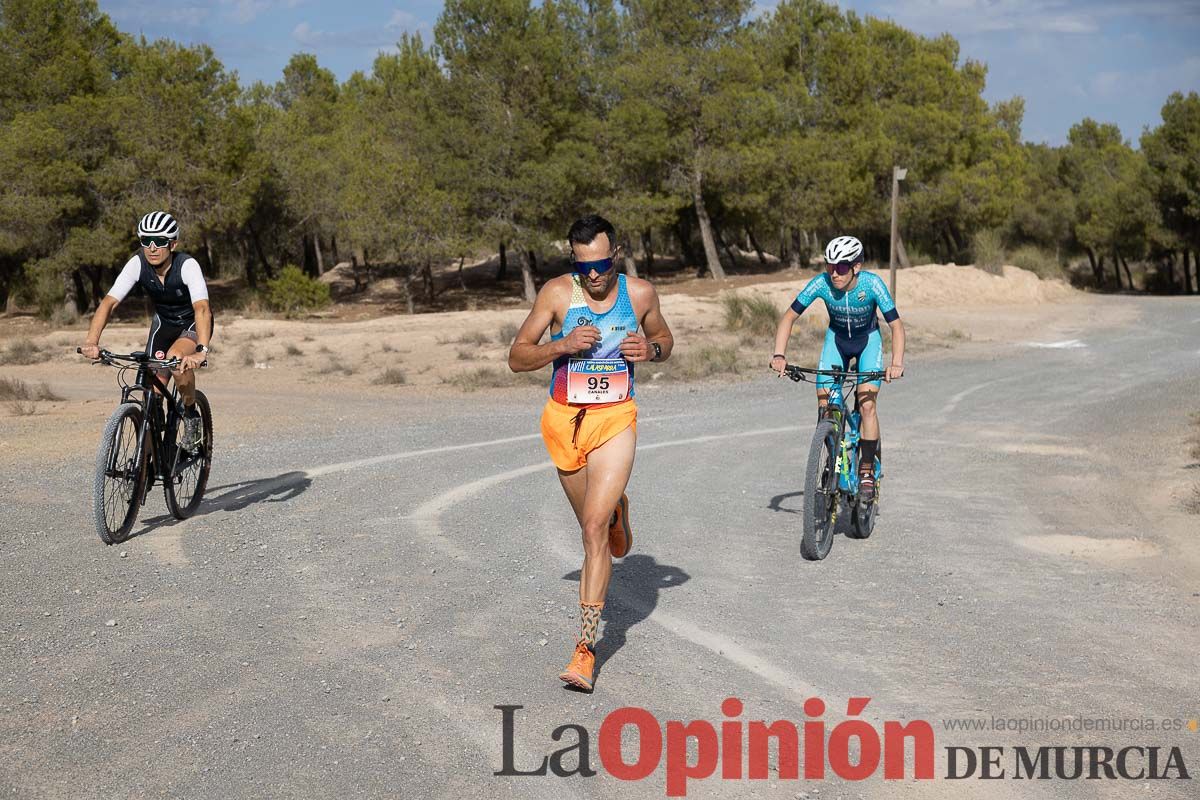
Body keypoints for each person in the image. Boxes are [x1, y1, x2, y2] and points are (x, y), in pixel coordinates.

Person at [508, 214, 673, 692]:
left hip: (616, 417)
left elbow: (665, 340)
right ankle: (617, 507)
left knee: (592, 530)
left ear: (615, 254)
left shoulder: (639, 294)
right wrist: (561, 344)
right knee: (595, 522)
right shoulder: (557, 294)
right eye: (583, 266)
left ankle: (584, 649)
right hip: (564, 421)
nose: (594, 274)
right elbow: (517, 358)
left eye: (600, 263)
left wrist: (651, 351)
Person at [770, 235, 904, 502]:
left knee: (866, 404)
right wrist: (779, 354)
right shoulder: (821, 283)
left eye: (841, 267)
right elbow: (789, 317)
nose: (834, 273)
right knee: (825, 402)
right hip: (837, 341)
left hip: (868, 342)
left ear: (856, 267)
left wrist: (896, 363)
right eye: (829, 266)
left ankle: (866, 469)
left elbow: (896, 326)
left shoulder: (872, 284)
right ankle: (833, 456)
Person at [79, 211, 213, 446]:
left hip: (192, 323)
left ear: (173, 244)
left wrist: (201, 351)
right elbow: (110, 302)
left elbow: (202, 309)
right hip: (163, 325)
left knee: (176, 359)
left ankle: (191, 414)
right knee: (151, 397)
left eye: (159, 242)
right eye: (146, 241)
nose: (152, 248)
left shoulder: (187, 266)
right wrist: (92, 341)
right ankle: (146, 466)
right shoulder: (137, 264)